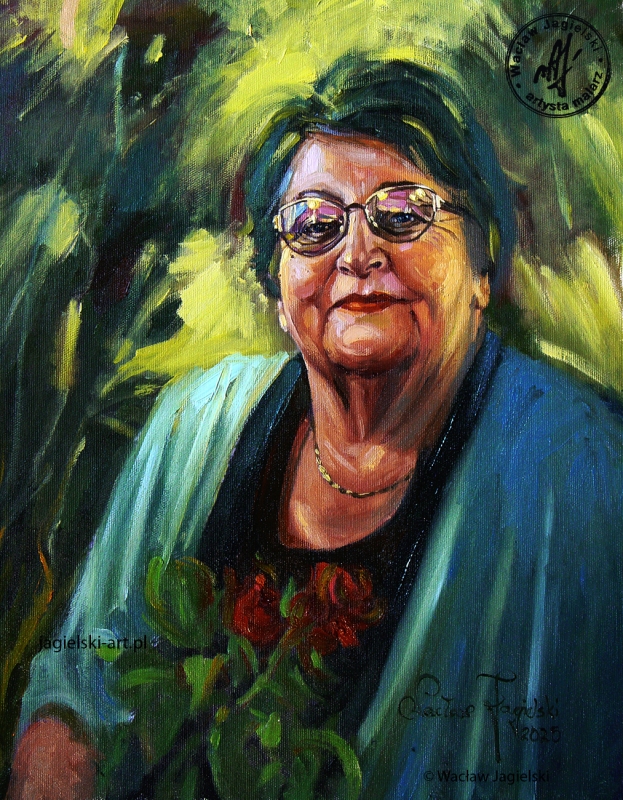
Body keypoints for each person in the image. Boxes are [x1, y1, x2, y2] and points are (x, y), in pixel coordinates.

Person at [9, 60, 623, 800]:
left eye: (403, 214)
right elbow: (77, 693)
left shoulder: (580, 466)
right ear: (277, 288)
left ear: (481, 265)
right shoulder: (191, 425)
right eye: (314, 225)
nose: (357, 255)